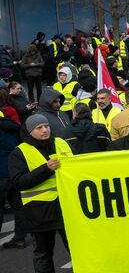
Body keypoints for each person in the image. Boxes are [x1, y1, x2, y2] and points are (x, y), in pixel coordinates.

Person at [8, 114, 72, 273]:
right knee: (43, 255)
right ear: (30, 132)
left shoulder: (61, 143)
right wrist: (46, 169)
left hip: (66, 207)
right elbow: (19, 182)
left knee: (77, 251)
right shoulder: (19, 152)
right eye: (39, 128)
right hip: (39, 213)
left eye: (47, 126)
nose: (45, 130)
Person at [0, 108, 27, 250]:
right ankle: (20, 238)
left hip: (1, 173)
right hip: (15, 170)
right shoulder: (13, 126)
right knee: (18, 207)